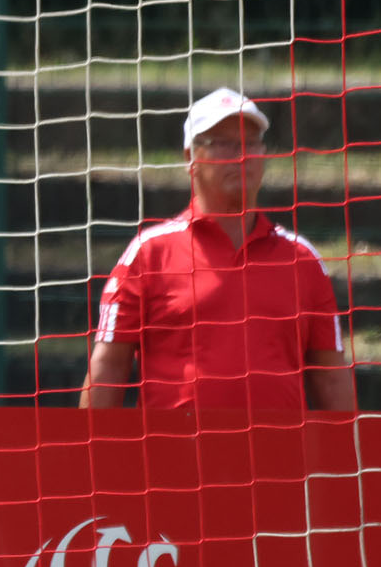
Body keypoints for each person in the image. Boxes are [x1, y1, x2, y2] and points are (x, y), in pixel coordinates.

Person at [81, 87, 357, 411]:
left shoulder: (302, 259)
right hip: (177, 457)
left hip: (280, 457)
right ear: (190, 158)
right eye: (223, 144)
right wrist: (91, 458)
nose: (241, 155)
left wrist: (355, 457)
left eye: (250, 144)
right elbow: (109, 368)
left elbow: (331, 376)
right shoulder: (148, 253)